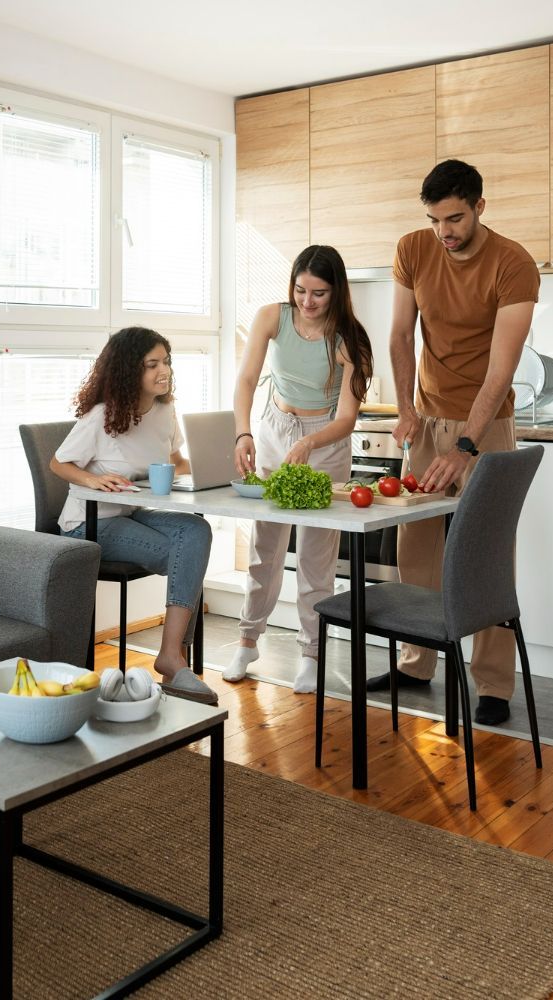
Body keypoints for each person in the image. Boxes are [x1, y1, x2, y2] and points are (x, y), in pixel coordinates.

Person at [375, 158, 539, 725]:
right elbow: (399, 335)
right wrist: (405, 409)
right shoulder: (414, 249)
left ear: (479, 207)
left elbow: (503, 366)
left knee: (485, 552)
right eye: (434, 218)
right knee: (415, 546)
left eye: (455, 217)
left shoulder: (513, 263)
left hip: (486, 426)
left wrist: (465, 445)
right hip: (426, 418)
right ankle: (416, 663)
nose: (444, 230)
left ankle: (492, 684)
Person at [227, 245, 374, 694]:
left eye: (319, 293)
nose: (307, 302)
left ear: (337, 292)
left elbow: (347, 417)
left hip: (325, 441)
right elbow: (247, 380)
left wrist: (310, 442)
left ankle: (312, 653)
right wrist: (243, 433)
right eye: (300, 290)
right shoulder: (272, 316)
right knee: (264, 547)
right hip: (274, 428)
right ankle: (248, 640)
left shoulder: (351, 338)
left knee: (315, 558)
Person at [51, 327, 218, 706]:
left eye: (167, 362)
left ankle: (172, 655)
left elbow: (176, 463)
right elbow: (58, 462)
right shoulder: (101, 415)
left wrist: (220, 465)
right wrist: (93, 479)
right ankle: (177, 659)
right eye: (152, 364)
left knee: (196, 531)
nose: (165, 371)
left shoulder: (164, 412)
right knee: (185, 554)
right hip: (87, 524)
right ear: (129, 370)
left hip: (130, 512)